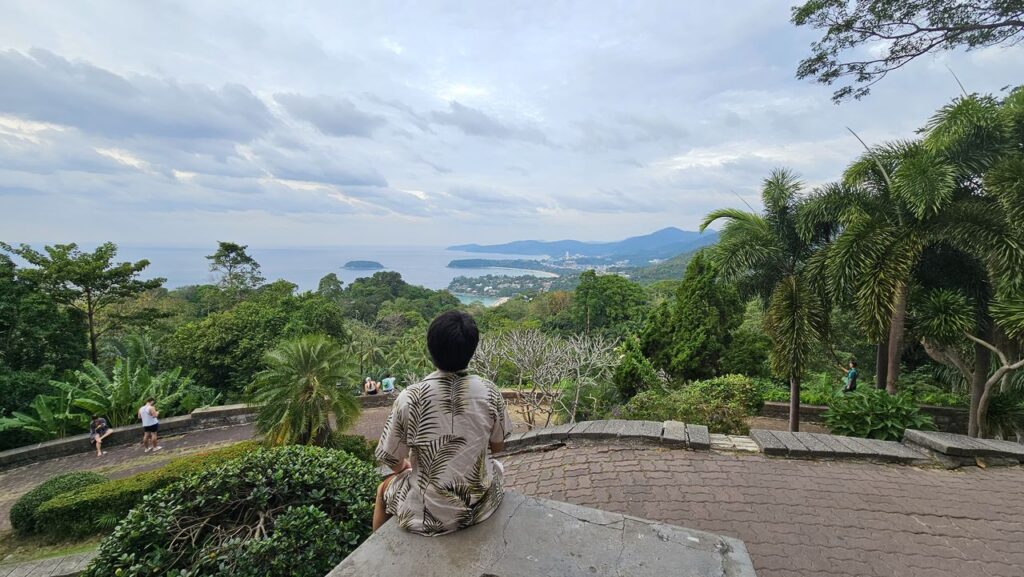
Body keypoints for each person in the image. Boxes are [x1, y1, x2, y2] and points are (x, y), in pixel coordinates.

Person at [373, 310, 512, 536]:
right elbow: (497, 447)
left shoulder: (411, 398)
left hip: (430, 514)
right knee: (496, 469)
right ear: (472, 350)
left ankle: (375, 556)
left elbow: (389, 457)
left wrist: (404, 467)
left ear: (431, 349)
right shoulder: (489, 391)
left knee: (382, 490)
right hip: (480, 506)